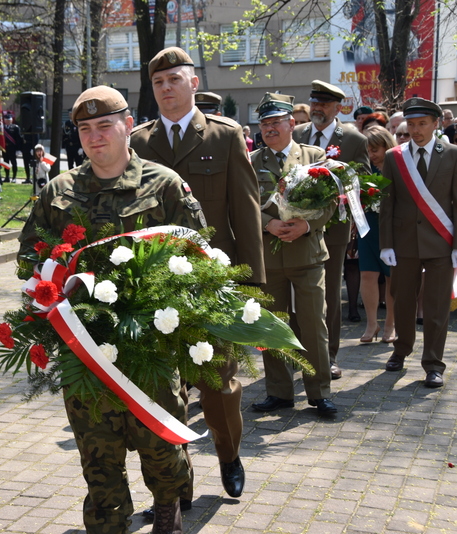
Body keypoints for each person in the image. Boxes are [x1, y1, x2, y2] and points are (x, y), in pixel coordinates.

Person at [18, 85, 203, 534]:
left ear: (127, 126)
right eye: (85, 129)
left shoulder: (163, 185)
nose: (95, 137)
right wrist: (53, 284)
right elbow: (28, 257)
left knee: (159, 441)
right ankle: (108, 522)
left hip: (149, 344)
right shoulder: (59, 191)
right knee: (97, 449)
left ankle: (167, 507)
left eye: (104, 126)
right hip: (84, 346)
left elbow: (199, 256)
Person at [130, 47, 265, 505]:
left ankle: (229, 455)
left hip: (213, 278)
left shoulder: (224, 136)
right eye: (158, 83)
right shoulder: (139, 143)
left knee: (219, 384)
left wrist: (251, 285)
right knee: (164, 386)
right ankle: (174, 480)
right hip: (154, 281)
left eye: (174, 80)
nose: (166, 89)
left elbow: (245, 213)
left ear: (193, 82)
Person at [248, 92, 336, 415]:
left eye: (276, 122)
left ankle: (320, 392)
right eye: (264, 123)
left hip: (308, 255)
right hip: (269, 261)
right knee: (273, 326)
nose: (270, 129)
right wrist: (268, 224)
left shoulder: (314, 156)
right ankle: (280, 392)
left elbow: (329, 202)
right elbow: (243, 206)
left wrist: (306, 226)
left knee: (314, 325)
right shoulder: (251, 161)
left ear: (291, 123)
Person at [379, 98, 457, 388]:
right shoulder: (395, 157)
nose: (415, 130)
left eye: (422, 124)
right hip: (404, 243)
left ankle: (433, 363)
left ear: (436, 124)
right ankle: (401, 350)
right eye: (412, 124)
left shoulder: (455, 154)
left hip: (441, 244)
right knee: (403, 302)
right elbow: (387, 203)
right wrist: (386, 244)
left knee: (436, 306)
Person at [293, 80, 370, 381]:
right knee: (299, 291)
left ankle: (329, 355)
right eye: (314, 102)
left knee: (328, 296)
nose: (317, 109)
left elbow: (361, 179)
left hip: (334, 229)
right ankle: (299, 353)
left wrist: (336, 179)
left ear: (338, 108)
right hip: (298, 226)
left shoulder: (352, 138)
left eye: (324, 104)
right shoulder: (298, 134)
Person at [359, 126, 397, 342]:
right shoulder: (366, 171)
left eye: (375, 149)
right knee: (368, 274)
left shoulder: (397, 169)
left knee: (391, 278)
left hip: (392, 231)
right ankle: (371, 324)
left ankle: (390, 325)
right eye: (368, 151)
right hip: (368, 228)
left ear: (387, 146)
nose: (371, 155)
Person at [2, 113, 22, 181]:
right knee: (6, 162)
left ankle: (14, 177)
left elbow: (18, 139)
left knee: (14, 163)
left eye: (9, 120)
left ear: (11, 120)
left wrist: (18, 149)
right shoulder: (2, 128)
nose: (8, 121)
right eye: (6, 120)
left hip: (12, 148)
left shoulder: (15, 127)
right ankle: (7, 177)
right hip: (5, 148)